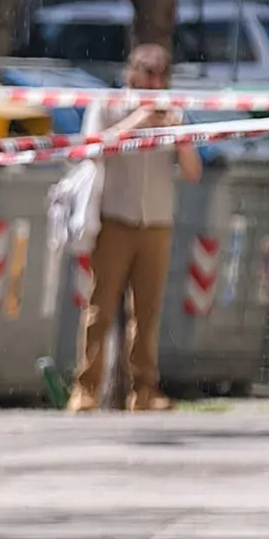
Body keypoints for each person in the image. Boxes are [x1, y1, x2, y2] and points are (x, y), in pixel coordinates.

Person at [68, 38, 200, 412]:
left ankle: (144, 390)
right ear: (133, 72)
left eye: (162, 75)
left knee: (148, 311)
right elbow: (94, 149)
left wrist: (180, 136)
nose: (156, 83)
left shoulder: (172, 111)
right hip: (116, 218)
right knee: (101, 308)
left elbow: (192, 172)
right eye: (148, 74)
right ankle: (86, 388)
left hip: (156, 220)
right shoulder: (108, 105)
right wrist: (138, 120)